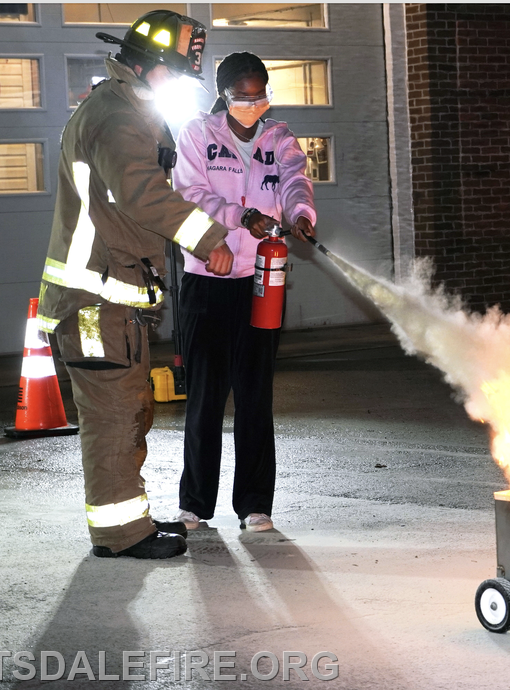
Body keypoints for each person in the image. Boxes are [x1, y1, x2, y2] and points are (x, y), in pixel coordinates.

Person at [35, 10, 235, 559]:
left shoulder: (120, 108)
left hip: (109, 300)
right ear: (150, 67)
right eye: (174, 75)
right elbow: (142, 194)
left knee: (129, 413)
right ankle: (122, 535)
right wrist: (211, 238)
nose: (176, 89)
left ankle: (133, 524)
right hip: (95, 302)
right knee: (114, 418)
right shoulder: (117, 118)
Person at [171, 52, 316, 533]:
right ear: (224, 95)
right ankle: (195, 504)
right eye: (243, 97)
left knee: (255, 396)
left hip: (261, 282)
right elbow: (191, 195)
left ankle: (256, 505)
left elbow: (296, 182)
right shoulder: (199, 136)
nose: (253, 105)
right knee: (206, 396)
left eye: (261, 96)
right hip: (207, 282)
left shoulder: (280, 139)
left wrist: (300, 216)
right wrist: (241, 217)